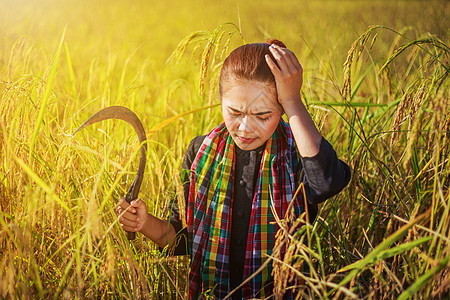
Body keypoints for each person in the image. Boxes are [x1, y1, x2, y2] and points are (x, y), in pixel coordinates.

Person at [115, 40, 351, 299]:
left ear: (282, 109)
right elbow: (181, 238)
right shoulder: (200, 152)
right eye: (235, 112)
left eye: (262, 116)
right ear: (220, 100)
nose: (245, 128)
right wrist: (144, 223)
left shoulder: (297, 154)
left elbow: (326, 182)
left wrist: (293, 100)